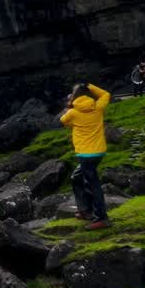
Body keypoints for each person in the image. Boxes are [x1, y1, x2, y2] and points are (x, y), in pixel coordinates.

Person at [60, 83, 112, 230]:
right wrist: (89, 86)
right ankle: (85, 210)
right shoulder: (98, 107)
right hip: (98, 152)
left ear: (74, 96)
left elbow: (63, 121)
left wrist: (70, 105)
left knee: (92, 184)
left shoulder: (73, 112)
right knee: (76, 178)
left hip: (85, 154)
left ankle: (101, 218)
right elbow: (106, 94)